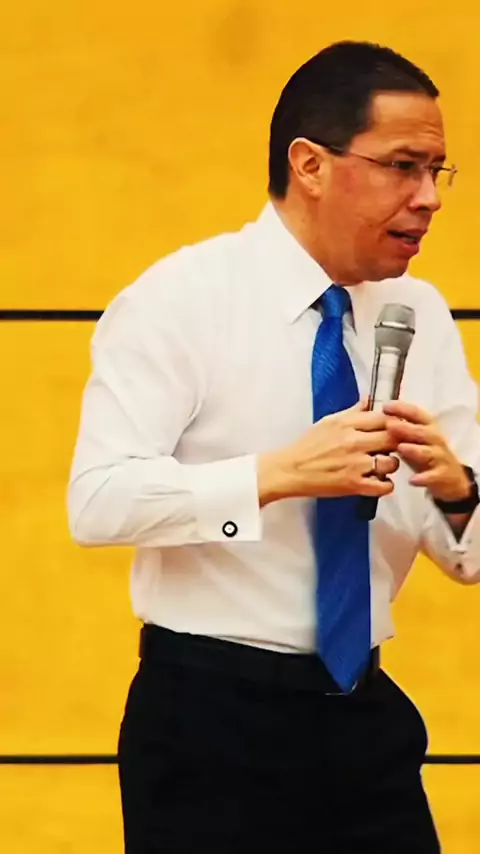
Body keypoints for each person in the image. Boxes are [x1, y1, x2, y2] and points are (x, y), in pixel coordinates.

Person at [67, 40, 480, 853]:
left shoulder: (420, 314)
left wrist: (456, 490)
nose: (429, 198)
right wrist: (276, 475)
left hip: (365, 717)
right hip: (210, 719)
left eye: (439, 172)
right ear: (310, 164)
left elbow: (469, 557)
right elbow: (98, 502)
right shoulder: (179, 300)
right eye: (403, 167)